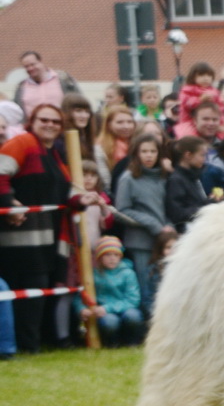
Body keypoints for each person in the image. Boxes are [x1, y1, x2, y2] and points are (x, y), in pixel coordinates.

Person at [0, 104, 101, 351]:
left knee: (41, 290)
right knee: (27, 293)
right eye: (44, 120)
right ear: (32, 122)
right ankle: (26, 345)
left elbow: (62, 194)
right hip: (20, 238)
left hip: (49, 237)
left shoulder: (54, 154)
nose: (50, 125)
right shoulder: (22, 144)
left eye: (55, 122)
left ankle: (40, 341)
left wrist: (81, 200)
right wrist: (9, 203)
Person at [112, 136, 172, 317]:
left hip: (165, 241)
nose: (149, 155)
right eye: (144, 151)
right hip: (140, 242)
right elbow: (122, 211)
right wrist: (153, 224)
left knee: (164, 285)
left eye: (153, 151)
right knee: (145, 286)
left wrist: (168, 226)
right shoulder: (128, 178)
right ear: (136, 154)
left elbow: (168, 206)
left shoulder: (163, 177)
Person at [88, 236, 145, 347]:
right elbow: (82, 295)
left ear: (120, 257)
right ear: (99, 257)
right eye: (107, 255)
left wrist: (108, 308)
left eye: (116, 255)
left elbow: (133, 299)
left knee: (133, 316)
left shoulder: (128, 273)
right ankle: (112, 343)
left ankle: (132, 342)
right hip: (104, 312)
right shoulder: (93, 275)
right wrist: (81, 309)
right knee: (110, 322)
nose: (112, 258)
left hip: (124, 308)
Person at [13, 50, 83, 115]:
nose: (30, 68)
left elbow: (79, 101)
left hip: (62, 126)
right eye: (26, 66)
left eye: (32, 64)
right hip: (31, 127)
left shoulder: (63, 79)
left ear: (41, 62)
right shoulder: (21, 87)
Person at [165, 137, 211, 233]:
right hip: (185, 232)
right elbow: (177, 213)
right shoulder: (176, 180)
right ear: (188, 155)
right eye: (202, 155)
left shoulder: (193, 177)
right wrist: (206, 208)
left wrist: (211, 201)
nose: (204, 159)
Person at [174, 62, 224, 134]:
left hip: (211, 122)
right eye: (202, 75)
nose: (206, 78)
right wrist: (199, 100)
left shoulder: (214, 92)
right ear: (193, 77)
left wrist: (221, 122)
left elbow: (221, 108)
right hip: (189, 122)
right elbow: (186, 104)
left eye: (209, 76)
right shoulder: (187, 90)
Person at [97, 105, 136, 174]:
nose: (126, 126)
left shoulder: (139, 144)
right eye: (120, 122)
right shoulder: (100, 148)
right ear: (109, 125)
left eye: (129, 122)